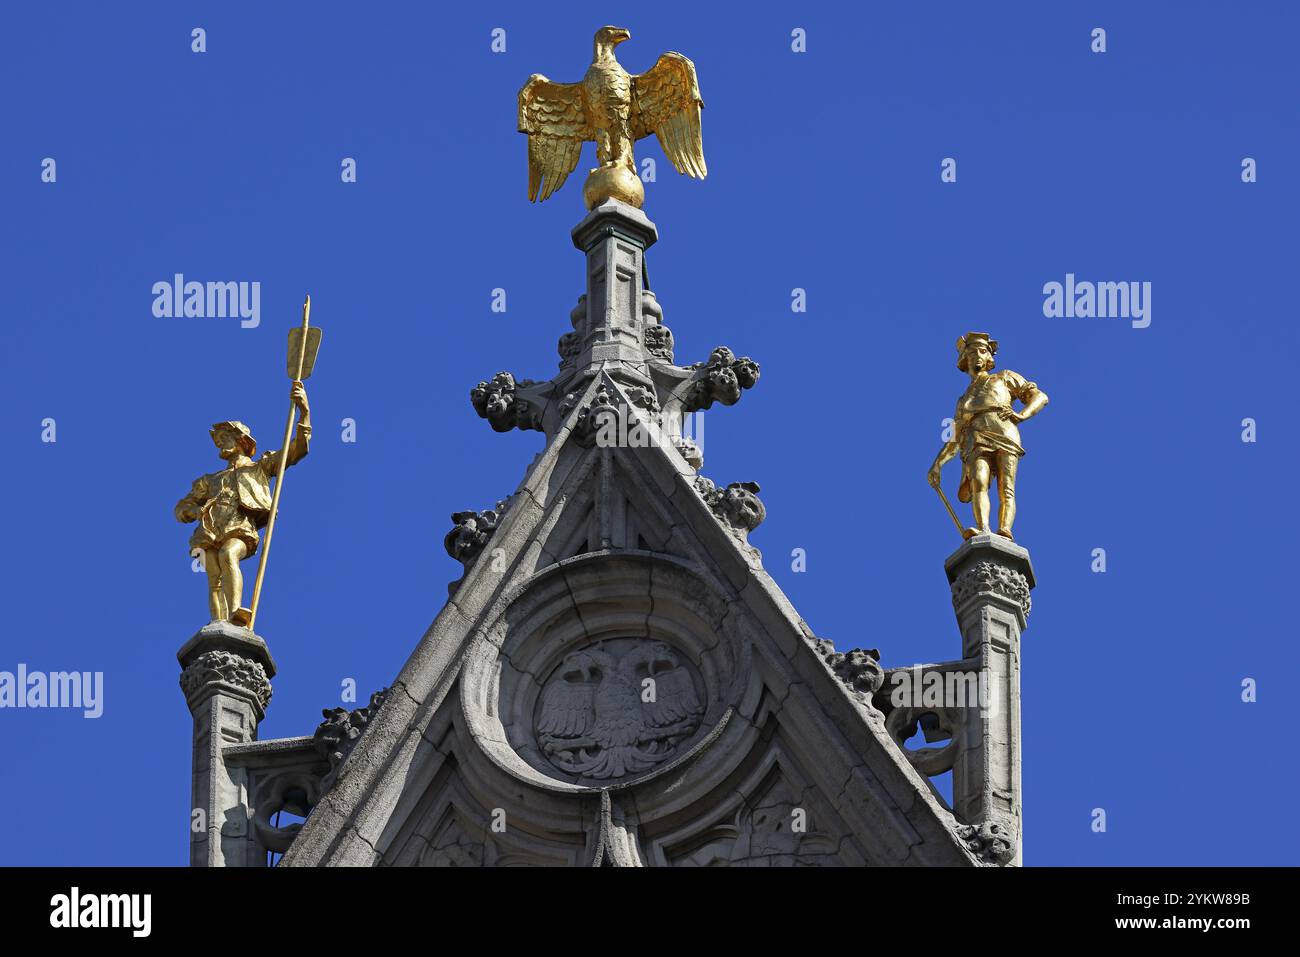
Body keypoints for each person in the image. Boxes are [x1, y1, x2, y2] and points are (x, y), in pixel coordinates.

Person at [176, 382, 311, 624]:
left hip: (240, 525)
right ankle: (218, 622)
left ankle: (236, 611)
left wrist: (304, 412)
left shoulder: (260, 467)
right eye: (219, 439)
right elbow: (181, 508)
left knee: (229, 554)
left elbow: (296, 450)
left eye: (225, 438)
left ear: (240, 441)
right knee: (214, 576)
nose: (220, 443)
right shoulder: (210, 480)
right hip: (210, 527)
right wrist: (195, 511)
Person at [927, 334, 1047, 541]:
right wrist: (938, 464)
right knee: (978, 482)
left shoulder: (1004, 377)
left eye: (983, 351)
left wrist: (1021, 415)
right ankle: (983, 529)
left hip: (1005, 433)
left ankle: (1005, 531)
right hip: (975, 439)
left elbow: (1039, 396)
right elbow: (955, 437)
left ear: (990, 357)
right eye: (972, 352)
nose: (978, 356)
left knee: (1006, 487)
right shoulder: (963, 399)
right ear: (965, 359)